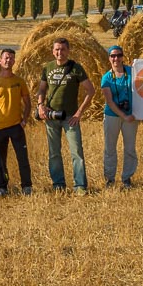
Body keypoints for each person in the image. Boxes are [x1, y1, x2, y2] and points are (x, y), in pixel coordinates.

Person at [37, 38, 95, 194]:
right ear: (52, 51)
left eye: (62, 49)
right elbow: (42, 90)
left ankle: (80, 186)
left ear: (68, 51)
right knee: (54, 152)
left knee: (76, 151)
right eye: (56, 49)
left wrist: (79, 113)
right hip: (51, 116)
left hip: (70, 117)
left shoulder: (76, 68)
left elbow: (91, 91)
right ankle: (58, 184)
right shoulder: (47, 68)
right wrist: (40, 106)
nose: (59, 52)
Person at [0, 48, 32, 196]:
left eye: (11, 58)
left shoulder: (19, 81)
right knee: (1, 161)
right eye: (5, 58)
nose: (8, 60)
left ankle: (27, 186)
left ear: (14, 61)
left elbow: (28, 103)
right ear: (0, 60)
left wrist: (24, 120)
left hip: (16, 127)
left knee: (22, 157)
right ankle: (2, 187)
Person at [101, 45, 138, 188]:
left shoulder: (133, 72)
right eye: (112, 56)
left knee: (130, 148)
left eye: (118, 55)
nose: (116, 58)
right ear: (109, 58)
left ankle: (127, 177)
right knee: (110, 148)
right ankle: (110, 178)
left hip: (131, 116)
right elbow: (109, 101)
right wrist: (124, 115)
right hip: (112, 115)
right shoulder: (106, 78)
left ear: (123, 57)